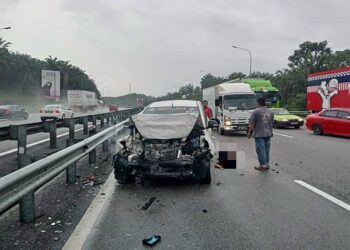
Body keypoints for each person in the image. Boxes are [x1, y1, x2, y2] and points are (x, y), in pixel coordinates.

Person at [247, 97, 274, 171]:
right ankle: (267, 164)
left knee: (260, 150)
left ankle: (263, 165)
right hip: (268, 133)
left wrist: (249, 133)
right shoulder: (270, 112)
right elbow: (272, 123)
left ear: (258, 103)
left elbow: (252, 124)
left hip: (259, 134)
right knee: (266, 150)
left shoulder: (256, 112)